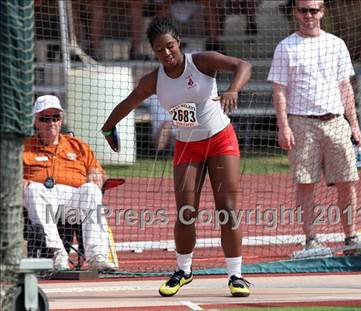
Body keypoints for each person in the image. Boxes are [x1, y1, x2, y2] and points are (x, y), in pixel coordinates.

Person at [101, 16, 252, 297]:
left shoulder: (202, 61)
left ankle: (236, 276)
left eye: (170, 46)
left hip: (220, 140)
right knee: (185, 213)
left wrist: (233, 89)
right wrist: (108, 127)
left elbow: (243, 65)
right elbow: (128, 103)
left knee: (227, 208)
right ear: (153, 51)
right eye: (159, 49)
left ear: (178, 42)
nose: (166, 53)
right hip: (187, 146)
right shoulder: (153, 80)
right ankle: (184, 270)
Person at [267, 0, 361, 257]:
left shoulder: (336, 44)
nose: (308, 15)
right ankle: (311, 239)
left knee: (348, 180)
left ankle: (351, 238)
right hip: (301, 122)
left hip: (335, 120)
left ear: (322, 12)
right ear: (296, 13)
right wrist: (284, 127)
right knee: (306, 182)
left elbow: (345, 87)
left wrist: (354, 125)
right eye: (303, 10)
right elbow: (279, 90)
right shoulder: (286, 47)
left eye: (314, 10)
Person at [23, 95, 117, 271]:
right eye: (44, 118)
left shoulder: (78, 145)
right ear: (35, 121)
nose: (51, 122)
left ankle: (97, 256)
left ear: (61, 120)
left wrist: (96, 174)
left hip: (72, 200)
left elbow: (97, 171)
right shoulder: (24, 147)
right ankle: (58, 252)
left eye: (55, 117)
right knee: (33, 189)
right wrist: (18, 181)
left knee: (91, 190)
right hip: (41, 199)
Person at [72, 0, 149, 60]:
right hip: (91, 15)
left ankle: (135, 52)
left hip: (120, 17)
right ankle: (88, 51)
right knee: (94, 5)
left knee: (136, 7)